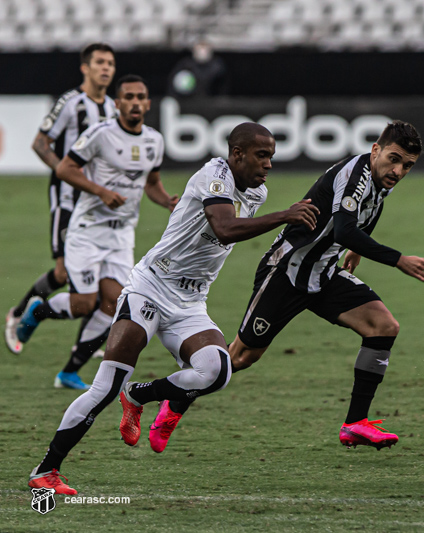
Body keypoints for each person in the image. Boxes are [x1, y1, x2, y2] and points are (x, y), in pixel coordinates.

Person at [27, 121, 319, 495]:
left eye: (272, 157)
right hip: (150, 288)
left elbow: (227, 228)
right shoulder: (214, 175)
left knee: (217, 370)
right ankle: (45, 470)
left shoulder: (257, 192)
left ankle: (138, 395)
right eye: (261, 155)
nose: (268, 164)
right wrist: (285, 215)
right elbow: (225, 228)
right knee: (103, 387)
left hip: (190, 301)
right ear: (237, 154)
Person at [226, 121, 424, 451]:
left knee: (383, 326)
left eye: (407, 165)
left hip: (323, 274)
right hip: (288, 270)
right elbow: (343, 230)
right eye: (393, 159)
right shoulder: (355, 175)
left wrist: (356, 249)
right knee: (240, 358)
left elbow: (370, 209)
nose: (398, 170)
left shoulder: (382, 178)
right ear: (376, 150)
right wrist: (398, 259)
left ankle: (355, 424)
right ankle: (168, 398)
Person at [16, 75, 179, 392]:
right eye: (128, 97)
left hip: (121, 236)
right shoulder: (99, 134)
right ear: (117, 104)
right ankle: (38, 310)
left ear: (147, 103)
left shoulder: (154, 141)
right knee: (83, 304)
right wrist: (100, 191)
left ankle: (69, 372)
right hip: (88, 230)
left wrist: (167, 202)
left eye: (140, 97)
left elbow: (151, 184)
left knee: (114, 305)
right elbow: (65, 168)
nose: (134, 102)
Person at [5, 43, 117, 387]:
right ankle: (18, 314)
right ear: (85, 68)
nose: (105, 69)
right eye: (99, 62)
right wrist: (67, 173)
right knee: (64, 270)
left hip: (97, 204)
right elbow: (40, 143)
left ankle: (80, 352)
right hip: (69, 198)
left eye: (110, 63)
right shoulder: (70, 103)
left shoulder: (112, 107)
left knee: (104, 284)